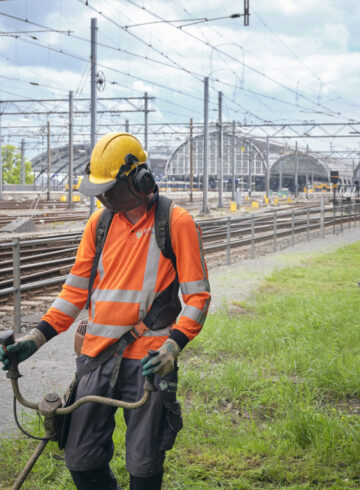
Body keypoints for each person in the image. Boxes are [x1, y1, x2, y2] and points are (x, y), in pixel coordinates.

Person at [0, 132, 211, 490]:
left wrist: (172, 347)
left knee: (144, 465)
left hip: (149, 361)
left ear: (140, 180)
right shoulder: (99, 225)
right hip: (96, 357)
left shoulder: (176, 223)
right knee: (81, 457)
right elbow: (74, 293)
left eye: (111, 188)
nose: (104, 196)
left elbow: (198, 298)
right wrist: (36, 338)